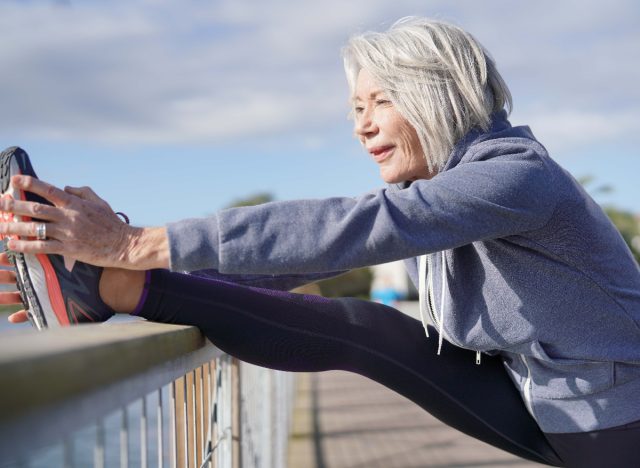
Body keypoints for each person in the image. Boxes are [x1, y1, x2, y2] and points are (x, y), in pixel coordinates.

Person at [1, 17, 639, 467]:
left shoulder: (513, 176)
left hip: (615, 424)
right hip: (548, 401)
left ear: (438, 95)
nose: (361, 127)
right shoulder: (453, 185)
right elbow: (296, 261)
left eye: (378, 101)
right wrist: (126, 276)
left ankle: (117, 283)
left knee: (367, 329)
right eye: (353, 110)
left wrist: (132, 243)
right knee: (368, 329)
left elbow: (347, 229)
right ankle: (112, 291)